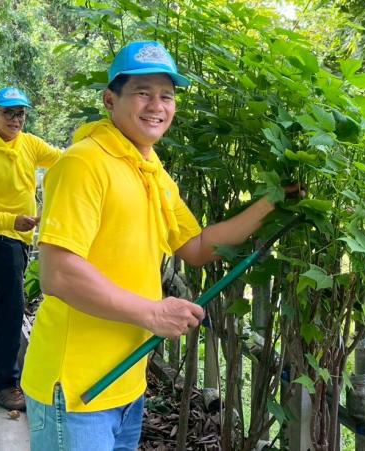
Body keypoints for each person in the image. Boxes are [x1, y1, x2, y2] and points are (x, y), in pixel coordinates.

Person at [21, 40, 299, 450]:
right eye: (142, 92)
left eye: (166, 96)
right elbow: (58, 274)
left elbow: (198, 246)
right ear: (110, 100)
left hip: (126, 383)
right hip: (76, 388)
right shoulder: (83, 163)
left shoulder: (151, 170)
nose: (157, 106)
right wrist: (152, 313)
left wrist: (273, 201)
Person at [0, 87, 64, 411]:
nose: (15, 120)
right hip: (0, 238)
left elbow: (62, 159)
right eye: (8, 113)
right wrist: (10, 220)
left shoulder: (28, 143)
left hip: (20, 237)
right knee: (12, 305)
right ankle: (3, 384)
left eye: (20, 114)